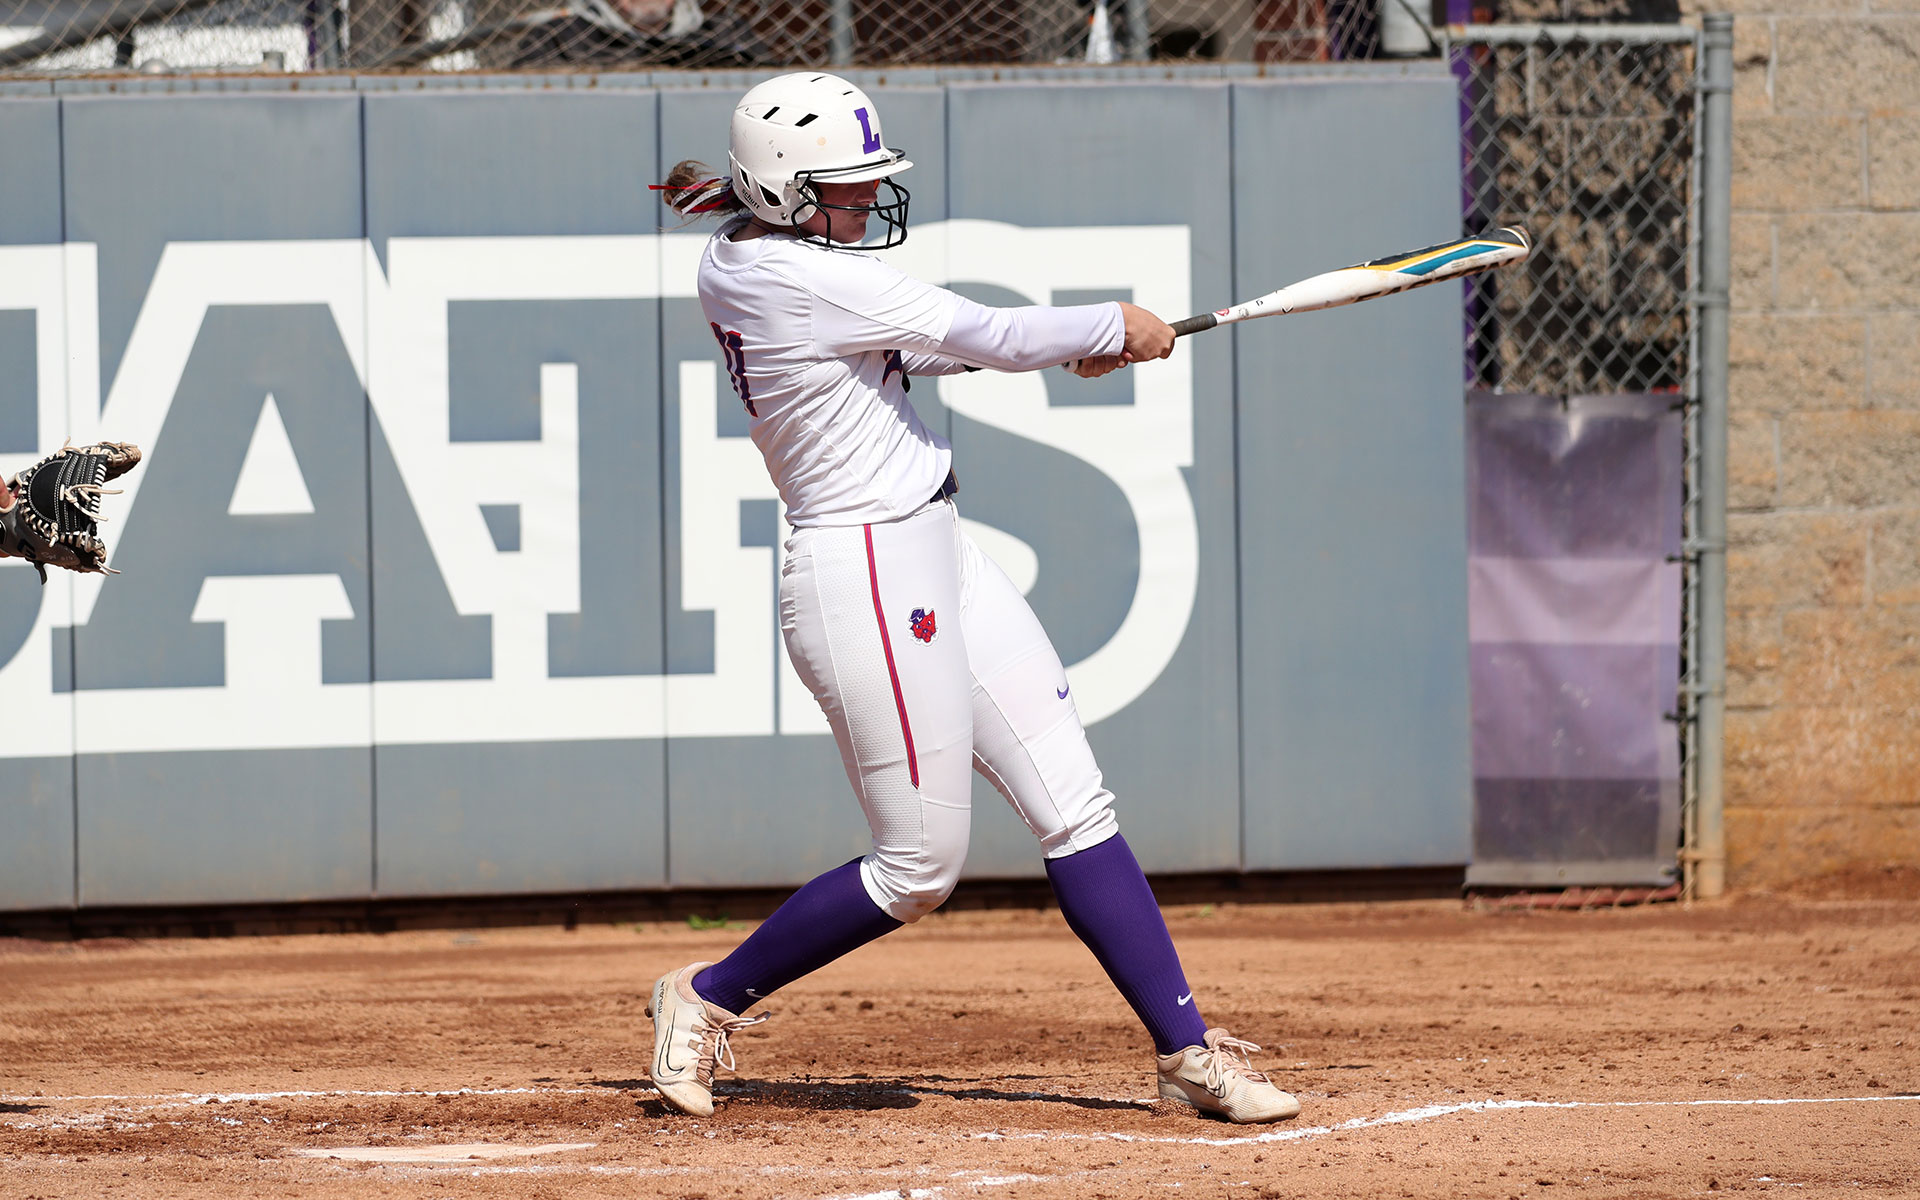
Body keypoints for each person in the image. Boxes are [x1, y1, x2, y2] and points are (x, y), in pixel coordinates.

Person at [645, 71, 1299, 1126]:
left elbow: (920, 353)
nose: (862, 202)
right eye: (842, 187)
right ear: (777, 191)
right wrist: (1114, 324)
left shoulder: (767, 261)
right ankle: (705, 995)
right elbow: (983, 332)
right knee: (918, 867)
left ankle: (1187, 1051)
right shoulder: (791, 273)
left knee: (1075, 802)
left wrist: (1080, 347)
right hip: (862, 568)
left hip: (935, 549)